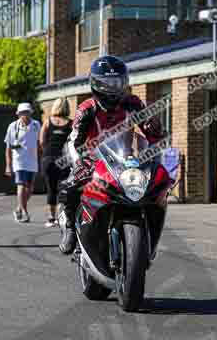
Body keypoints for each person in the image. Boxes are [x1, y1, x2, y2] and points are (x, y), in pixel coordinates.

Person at [59, 55, 164, 254]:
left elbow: (151, 131)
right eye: (108, 83)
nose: (113, 88)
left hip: (125, 158)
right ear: (96, 84)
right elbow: (74, 141)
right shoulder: (87, 108)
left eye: (117, 82)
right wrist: (79, 160)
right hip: (94, 159)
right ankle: (70, 227)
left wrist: (156, 131)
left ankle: (149, 234)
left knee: (157, 184)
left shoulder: (133, 103)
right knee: (71, 184)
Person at [4, 102, 42, 223]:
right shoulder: (13, 126)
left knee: (30, 188)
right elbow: (8, 148)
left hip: (33, 161)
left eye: (27, 112)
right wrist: (8, 166)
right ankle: (25, 212)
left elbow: (39, 143)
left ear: (31, 113)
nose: (25, 115)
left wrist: (41, 159)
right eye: (22, 113)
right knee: (21, 185)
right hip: (19, 162)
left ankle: (19, 208)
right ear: (18, 114)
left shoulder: (36, 125)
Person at [40, 97, 72, 228]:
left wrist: (47, 153)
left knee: (51, 188)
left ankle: (51, 218)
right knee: (63, 188)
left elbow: (41, 141)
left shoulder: (47, 122)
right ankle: (61, 216)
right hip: (64, 159)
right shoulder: (71, 123)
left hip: (48, 158)